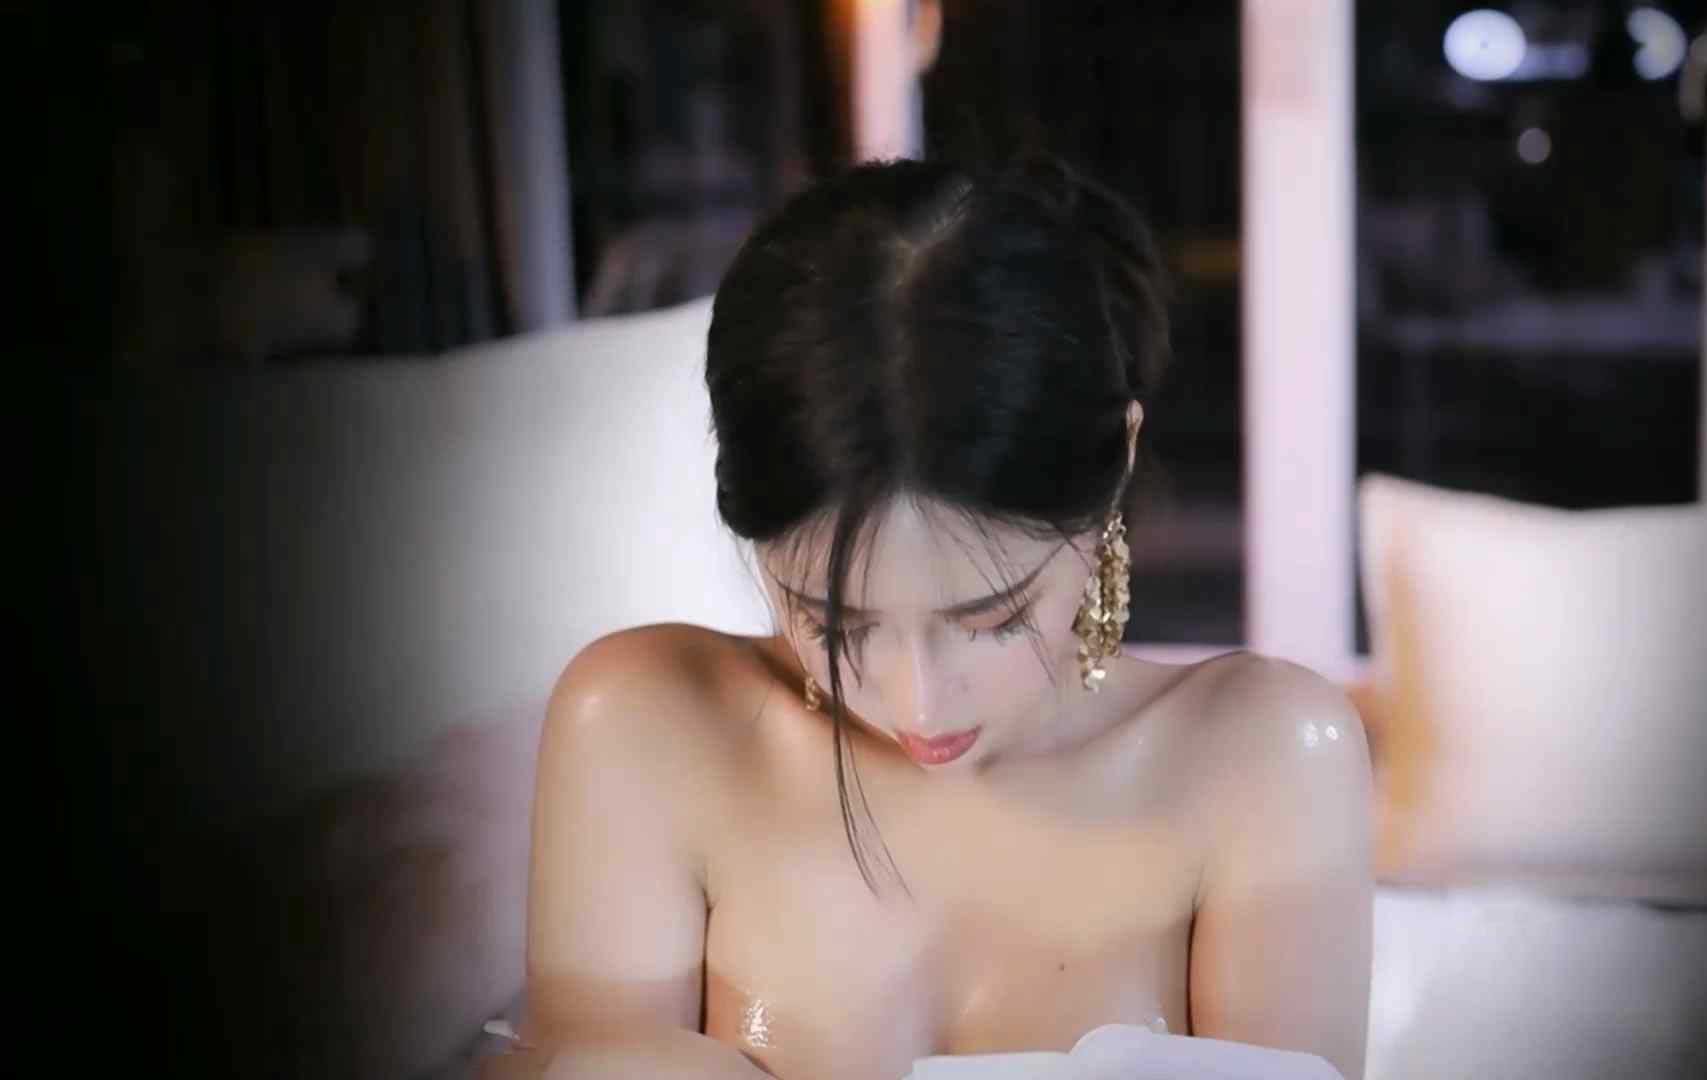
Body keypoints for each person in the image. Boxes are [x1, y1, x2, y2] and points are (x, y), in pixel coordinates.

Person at [495, 153, 1373, 1080]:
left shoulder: (1265, 759)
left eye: (993, 619)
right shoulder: (645, 727)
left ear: (1117, 463)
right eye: (836, 625)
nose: (917, 701)